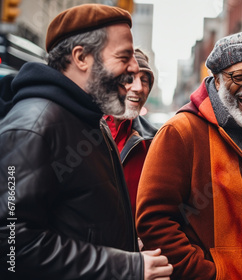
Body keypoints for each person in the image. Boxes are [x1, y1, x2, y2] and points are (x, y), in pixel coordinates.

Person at [0, 4, 172, 279]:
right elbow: (10, 248)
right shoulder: (32, 127)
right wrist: (128, 266)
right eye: (124, 57)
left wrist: (127, 249)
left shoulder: (91, 120)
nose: (133, 68)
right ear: (81, 57)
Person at [136, 32, 242, 279]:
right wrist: (207, 275)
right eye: (239, 76)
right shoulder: (180, 132)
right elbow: (154, 221)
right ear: (217, 81)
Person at [104, 48, 158, 218]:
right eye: (130, 78)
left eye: (145, 80)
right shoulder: (80, 127)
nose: (139, 88)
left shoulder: (154, 143)